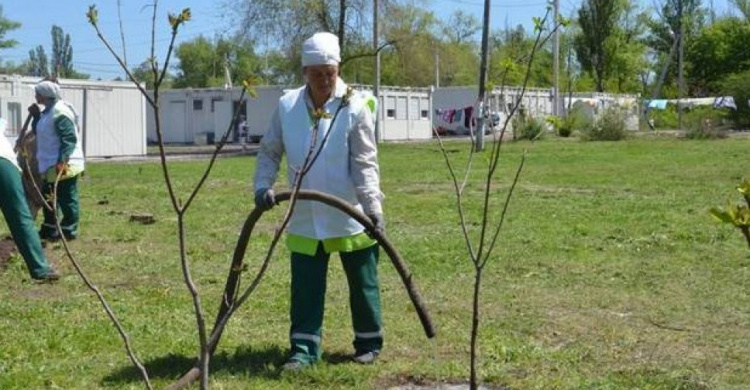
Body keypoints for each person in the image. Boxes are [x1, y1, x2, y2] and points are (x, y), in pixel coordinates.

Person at [253, 31, 386, 370]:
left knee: (363, 279)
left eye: (331, 73)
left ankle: (369, 342)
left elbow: (365, 161)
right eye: (318, 74)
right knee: (306, 286)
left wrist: (373, 207)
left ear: (338, 69)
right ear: (304, 73)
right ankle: (304, 350)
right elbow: (270, 150)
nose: (325, 80)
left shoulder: (354, 105)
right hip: (305, 215)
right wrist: (262, 185)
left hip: (349, 212)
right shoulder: (287, 106)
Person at [0, 119, 60, 281]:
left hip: (2, 161)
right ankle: (40, 269)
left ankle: (40, 269)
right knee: (20, 215)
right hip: (4, 161)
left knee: (19, 214)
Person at [29, 80, 85, 241]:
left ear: (45, 96)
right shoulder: (48, 112)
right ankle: (51, 228)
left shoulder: (60, 112)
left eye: (37, 93)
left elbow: (69, 138)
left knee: (67, 198)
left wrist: (63, 160)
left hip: (64, 163)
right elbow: (40, 131)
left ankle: (69, 230)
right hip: (50, 163)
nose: (35, 96)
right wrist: (36, 116)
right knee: (49, 197)